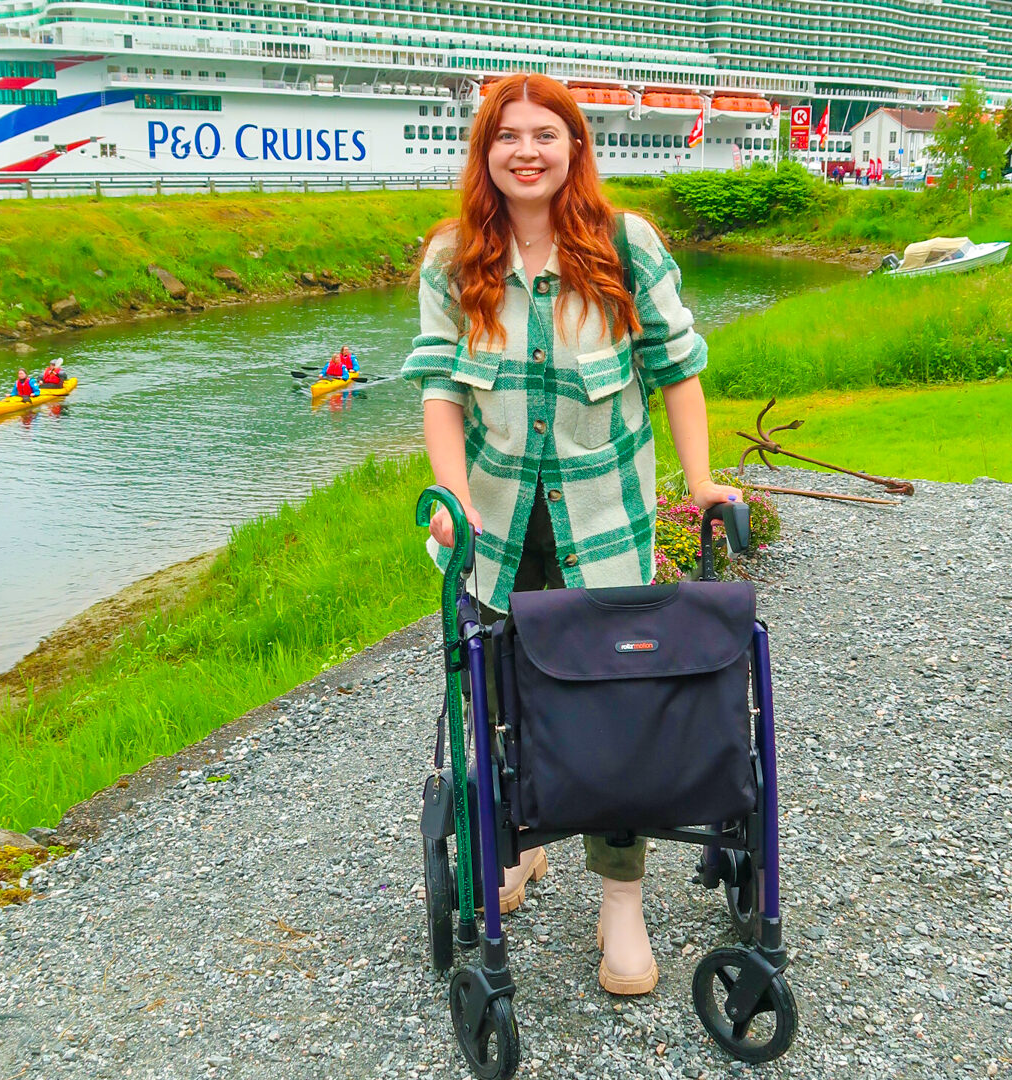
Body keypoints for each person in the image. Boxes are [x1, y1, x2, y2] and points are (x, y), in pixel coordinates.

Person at [401, 73, 742, 998]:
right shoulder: (450, 259)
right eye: (506, 135)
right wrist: (448, 492)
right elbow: (441, 393)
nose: (525, 150)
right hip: (496, 525)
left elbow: (678, 372)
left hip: (605, 526)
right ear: (485, 153)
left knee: (613, 714)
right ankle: (516, 849)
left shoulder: (627, 246)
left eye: (544, 134)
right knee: (501, 696)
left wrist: (702, 481)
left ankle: (621, 905)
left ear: (575, 147)